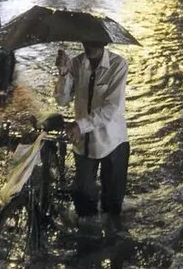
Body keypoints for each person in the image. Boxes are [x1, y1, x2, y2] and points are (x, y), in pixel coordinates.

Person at [54, 42, 130, 231]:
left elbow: (111, 108)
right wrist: (63, 73)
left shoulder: (118, 64)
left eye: (95, 41)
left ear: (104, 42)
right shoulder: (77, 64)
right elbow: (62, 100)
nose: (90, 46)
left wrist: (80, 125)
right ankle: (87, 243)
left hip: (113, 142)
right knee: (83, 202)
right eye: (86, 40)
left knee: (112, 205)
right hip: (84, 143)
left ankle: (112, 242)